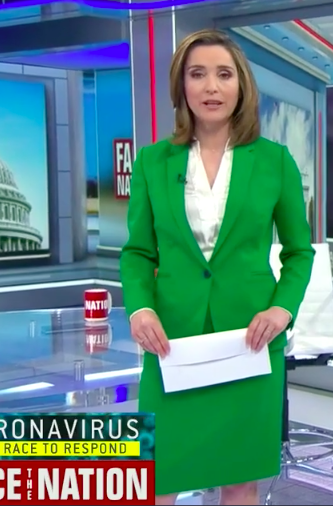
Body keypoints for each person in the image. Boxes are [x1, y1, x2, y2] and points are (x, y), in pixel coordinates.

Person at [120, 29, 315, 505]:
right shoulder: (152, 162)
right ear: (181, 86)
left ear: (241, 85)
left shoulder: (274, 162)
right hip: (172, 339)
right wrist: (140, 309)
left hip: (249, 338)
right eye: (198, 74)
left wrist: (282, 309)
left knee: (240, 476)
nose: (211, 87)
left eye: (224, 74)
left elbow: (299, 251)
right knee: (159, 472)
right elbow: (138, 252)